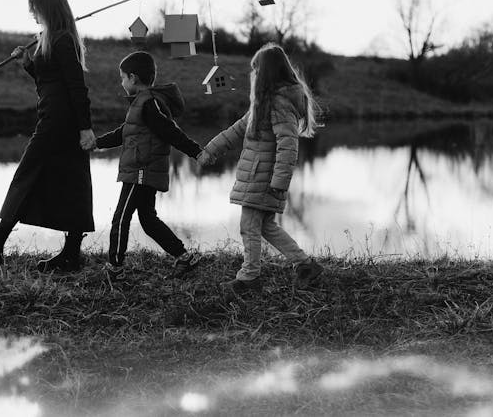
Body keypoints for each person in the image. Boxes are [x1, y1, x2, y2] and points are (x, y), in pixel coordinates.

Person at [0, 0, 96, 272]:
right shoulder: (54, 38)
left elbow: (76, 87)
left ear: (45, 6)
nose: (32, 12)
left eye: (34, 7)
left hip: (58, 124)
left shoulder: (62, 40)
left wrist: (85, 128)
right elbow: (50, 84)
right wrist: (28, 63)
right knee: (72, 183)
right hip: (57, 120)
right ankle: (71, 255)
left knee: (26, 177)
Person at [197, 43, 323, 297]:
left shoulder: (278, 105)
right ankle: (305, 265)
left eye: (255, 71)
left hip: (264, 180)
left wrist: (279, 182)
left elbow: (288, 147)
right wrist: (210, 150)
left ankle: (249, 277)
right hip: (259, 178)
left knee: (249, 227)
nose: (252, 76)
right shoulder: (263, 104)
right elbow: (236, 130)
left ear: (265, 74)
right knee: (265, 226)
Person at [93, 51, 203, 280]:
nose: (121, 83)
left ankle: (115, 268)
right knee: (148, 219)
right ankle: (184, 256)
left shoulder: (149, 104)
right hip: (141, 169)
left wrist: (196, 152)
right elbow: (124, 133)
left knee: (121, 217)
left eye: (122, 78)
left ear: (133, 78)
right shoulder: (142, 103)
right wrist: (96, 143)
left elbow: (171, 132)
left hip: (141, 170)